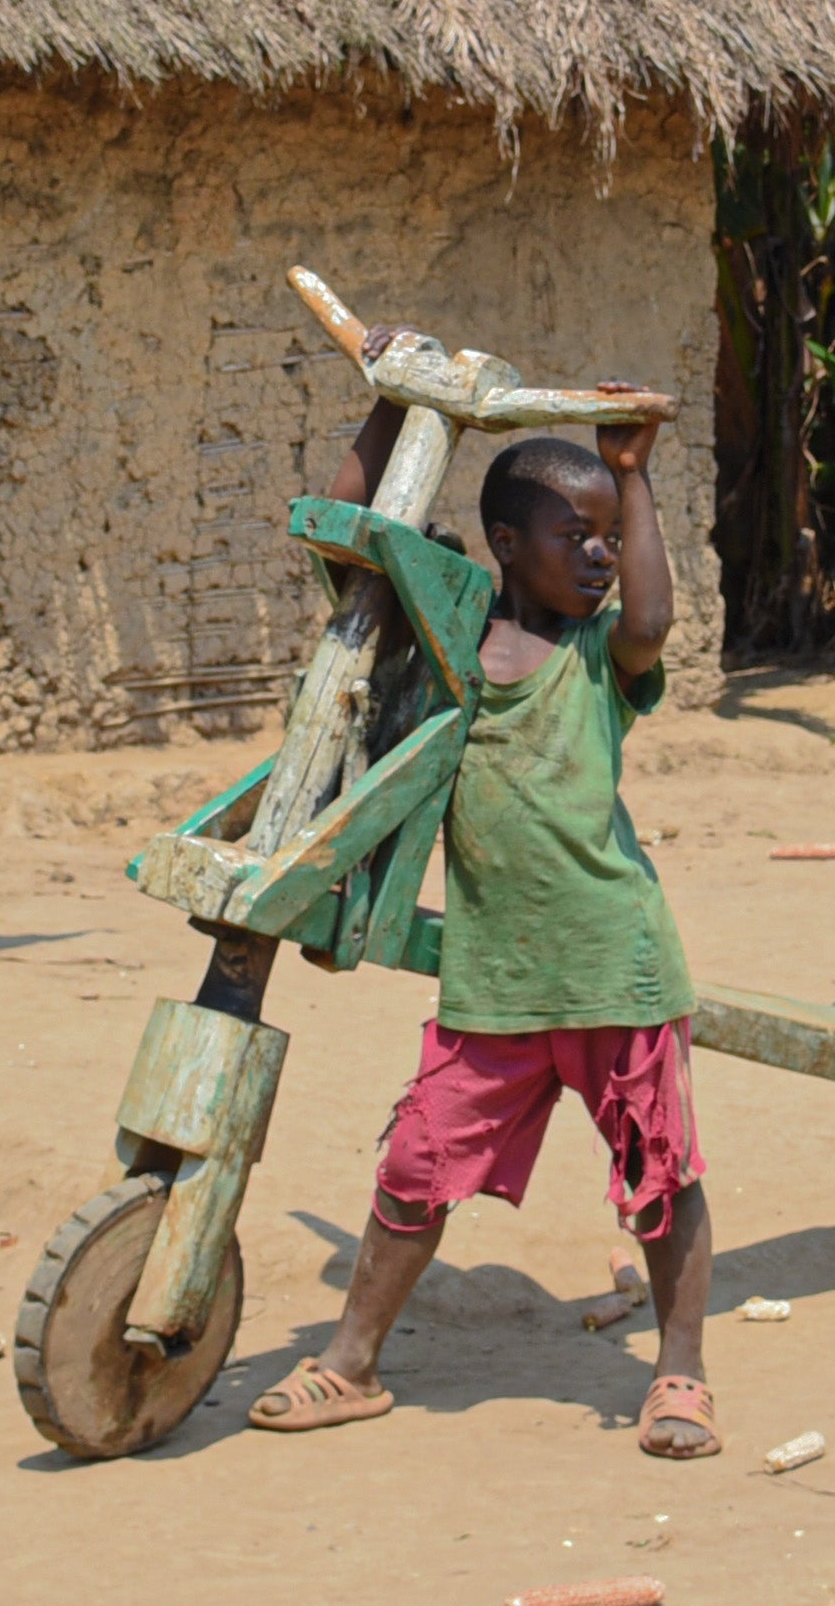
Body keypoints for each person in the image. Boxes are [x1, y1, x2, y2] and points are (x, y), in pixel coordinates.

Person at [249, 406, 725, 1456]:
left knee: (660, 1177)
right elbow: (350, 535)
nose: (600, 555)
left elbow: (651, 618)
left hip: (617, 965)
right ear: (506, 545)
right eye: (576, 535)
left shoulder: (601, 657)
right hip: (493, 981)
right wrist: (388, 403)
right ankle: (350, 1363)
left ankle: (680, 1372)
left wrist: (631, 474)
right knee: (414, 1166)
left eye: (610, 534)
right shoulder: (449, 645)